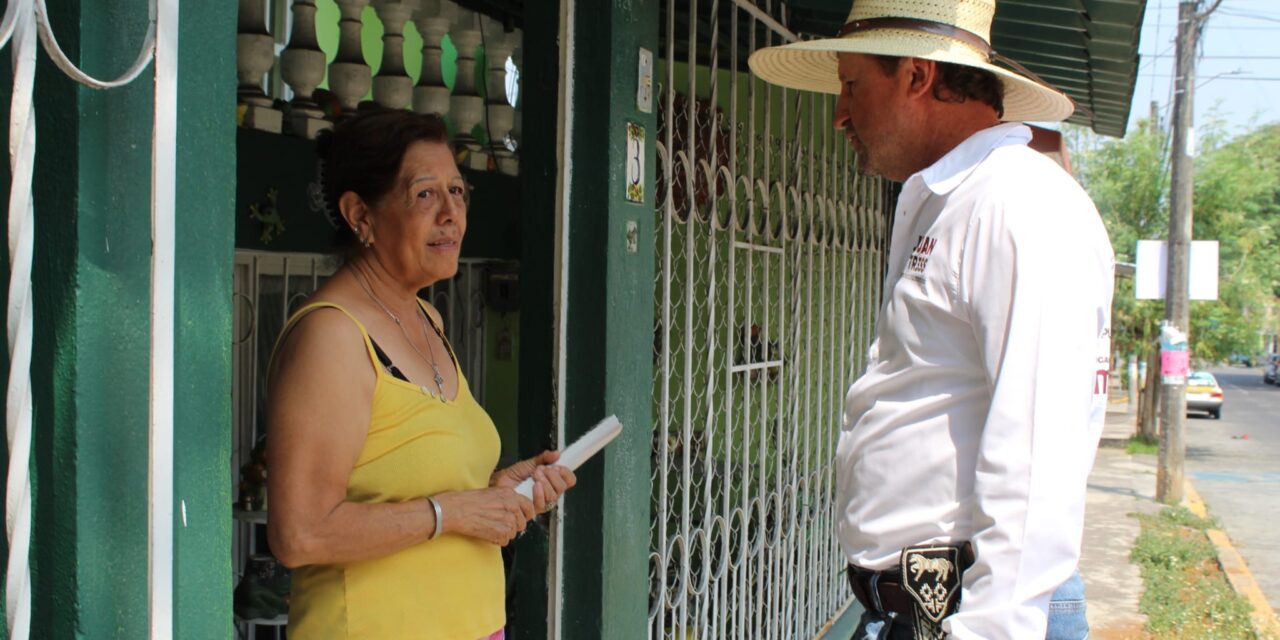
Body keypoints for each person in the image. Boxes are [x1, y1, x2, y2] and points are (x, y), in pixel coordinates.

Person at [749, 1, 1114, 638]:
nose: (840, 115)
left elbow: (1037, 452)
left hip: (974, 614)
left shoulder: (1017, 204)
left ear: (917, 77)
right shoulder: (953, 198)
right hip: (920, 608)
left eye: (852, 85)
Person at [266, 109, 576, 640]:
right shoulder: (333, 337)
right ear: (360, 215)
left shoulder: (426, 317)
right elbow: (300, 533)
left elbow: (419, 480)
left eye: (458, 192)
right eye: (425, 194)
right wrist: (451, 512)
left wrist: (496, 494)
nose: (452, 213)